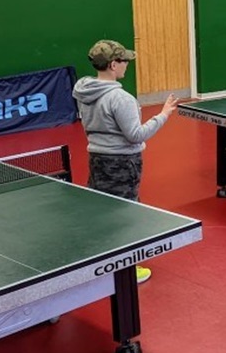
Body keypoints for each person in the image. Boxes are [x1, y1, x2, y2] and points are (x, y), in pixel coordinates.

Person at [72, 40, 178, 285]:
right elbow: (136, 135)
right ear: (113, 65)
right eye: (124, 61)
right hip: (122, 162)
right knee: (125, 214)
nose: (127, 65)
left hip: (96, 159)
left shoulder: (83, 92)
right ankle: (127, 269)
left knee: (103, 210)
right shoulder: (121, 98)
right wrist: (163, 114)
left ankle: (102, 259)